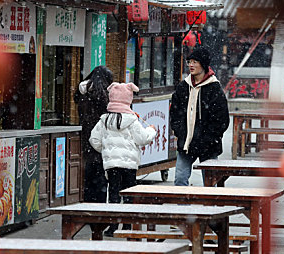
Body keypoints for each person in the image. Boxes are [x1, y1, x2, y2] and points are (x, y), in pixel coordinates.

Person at [90, 82, 156, 236]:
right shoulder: (132, 120)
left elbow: (93, 139)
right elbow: (143, 139)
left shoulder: (104, 120)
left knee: (113, 194)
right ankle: (127, 226)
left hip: (111, 164)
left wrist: (106, 150)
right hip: (129, 165)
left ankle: (112, 227)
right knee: (128, 194)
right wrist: (151, 130)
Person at [170, 45, 229, 186]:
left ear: (203, 64)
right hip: (186, 143)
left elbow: (222, 119)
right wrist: (180, 131)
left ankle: (211, 208)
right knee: (180, 179)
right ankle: (182, 208)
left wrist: (209, 137)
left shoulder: (214, 88)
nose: (191, 65)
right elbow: (175, 112)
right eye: (190, 62)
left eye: (195, 62)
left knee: (211, 183)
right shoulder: (183, 86)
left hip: (208, 144)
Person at [73, 66, 113, 203]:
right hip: (101, 139)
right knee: (101, 175)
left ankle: (88, 204)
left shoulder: (83, 94)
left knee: (88, 175)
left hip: (85, 137)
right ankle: (99, 207)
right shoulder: (104, 96)